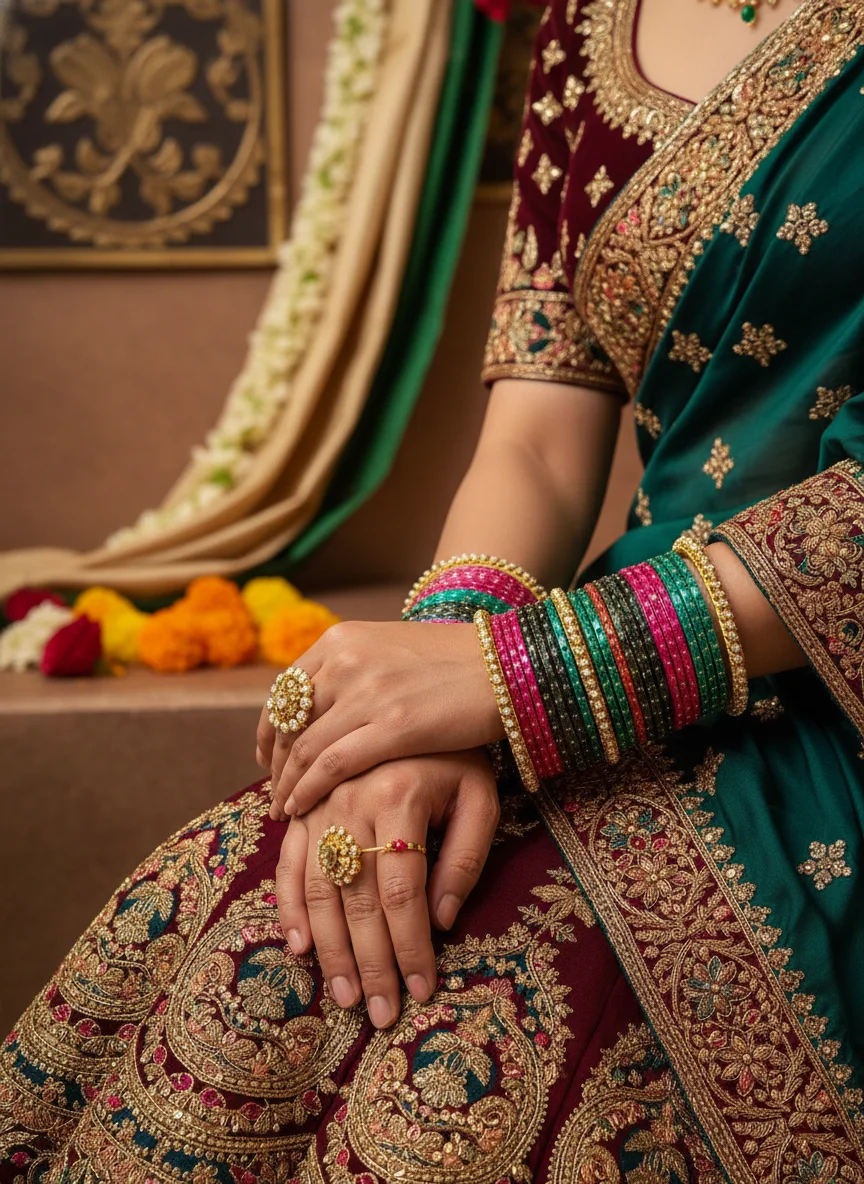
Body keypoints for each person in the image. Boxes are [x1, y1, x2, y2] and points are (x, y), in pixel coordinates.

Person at [3, 0, 863, 1177]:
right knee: (269, 923)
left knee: (478, 1048)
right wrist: (432, 683)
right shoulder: (584, 25)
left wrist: (524, 678)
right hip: (610, 649)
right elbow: (538, 447)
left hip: (817, 694)